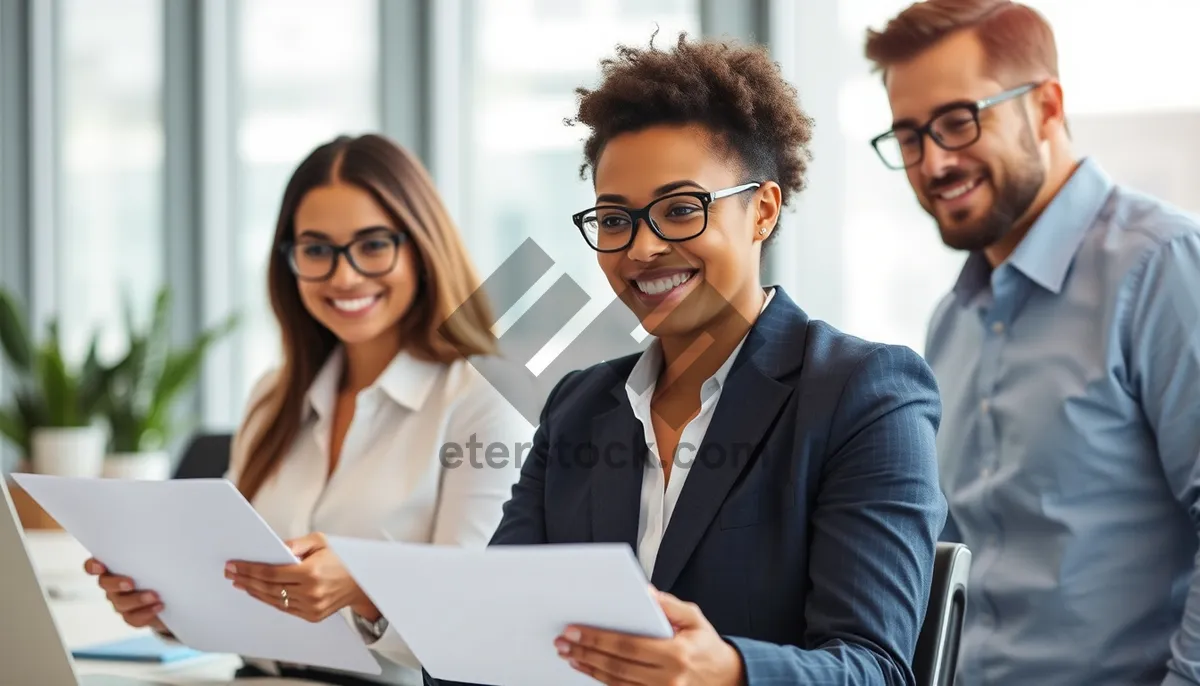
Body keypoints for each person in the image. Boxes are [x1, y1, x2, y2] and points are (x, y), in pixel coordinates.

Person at [428, 33, 947, 686]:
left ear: (761, 210)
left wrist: (729, 672)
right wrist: (412, 612)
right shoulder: (579, 407)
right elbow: (493, 636)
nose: (641, 248)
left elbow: (875, 670)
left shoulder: (866, 394)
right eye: (614, 220)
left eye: (679, 210)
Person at [83, 134, 531, 686]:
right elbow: (232, 581)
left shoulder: (482, 401)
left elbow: (479, 622)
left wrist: (367, 590)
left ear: (422, 247)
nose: (343, 276)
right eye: (316, 250)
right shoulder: (275, 396)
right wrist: (167, 608)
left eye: (373, 245)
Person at [863, 2, 1200, 684]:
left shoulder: (1162, 267)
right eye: (908, 138)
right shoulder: (949, 321)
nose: (933, 162)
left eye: (959, 121)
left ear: (1046, 105)